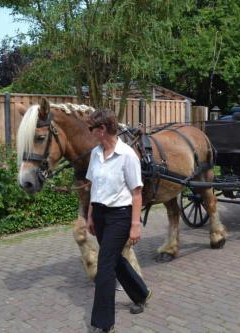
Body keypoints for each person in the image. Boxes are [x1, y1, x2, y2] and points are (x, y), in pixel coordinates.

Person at [86, 109, 151, 333]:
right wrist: (90, 216)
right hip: (101, 215)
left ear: (102, 129)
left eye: (91, 129)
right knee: (113, 259)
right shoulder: (95, 154)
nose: (90, 133)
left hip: (121, 216)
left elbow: (136, 194)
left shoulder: (127, 156)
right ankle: (141, 292)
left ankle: (104, 324)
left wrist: (135, 225)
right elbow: (93, 187)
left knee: (105, 266)